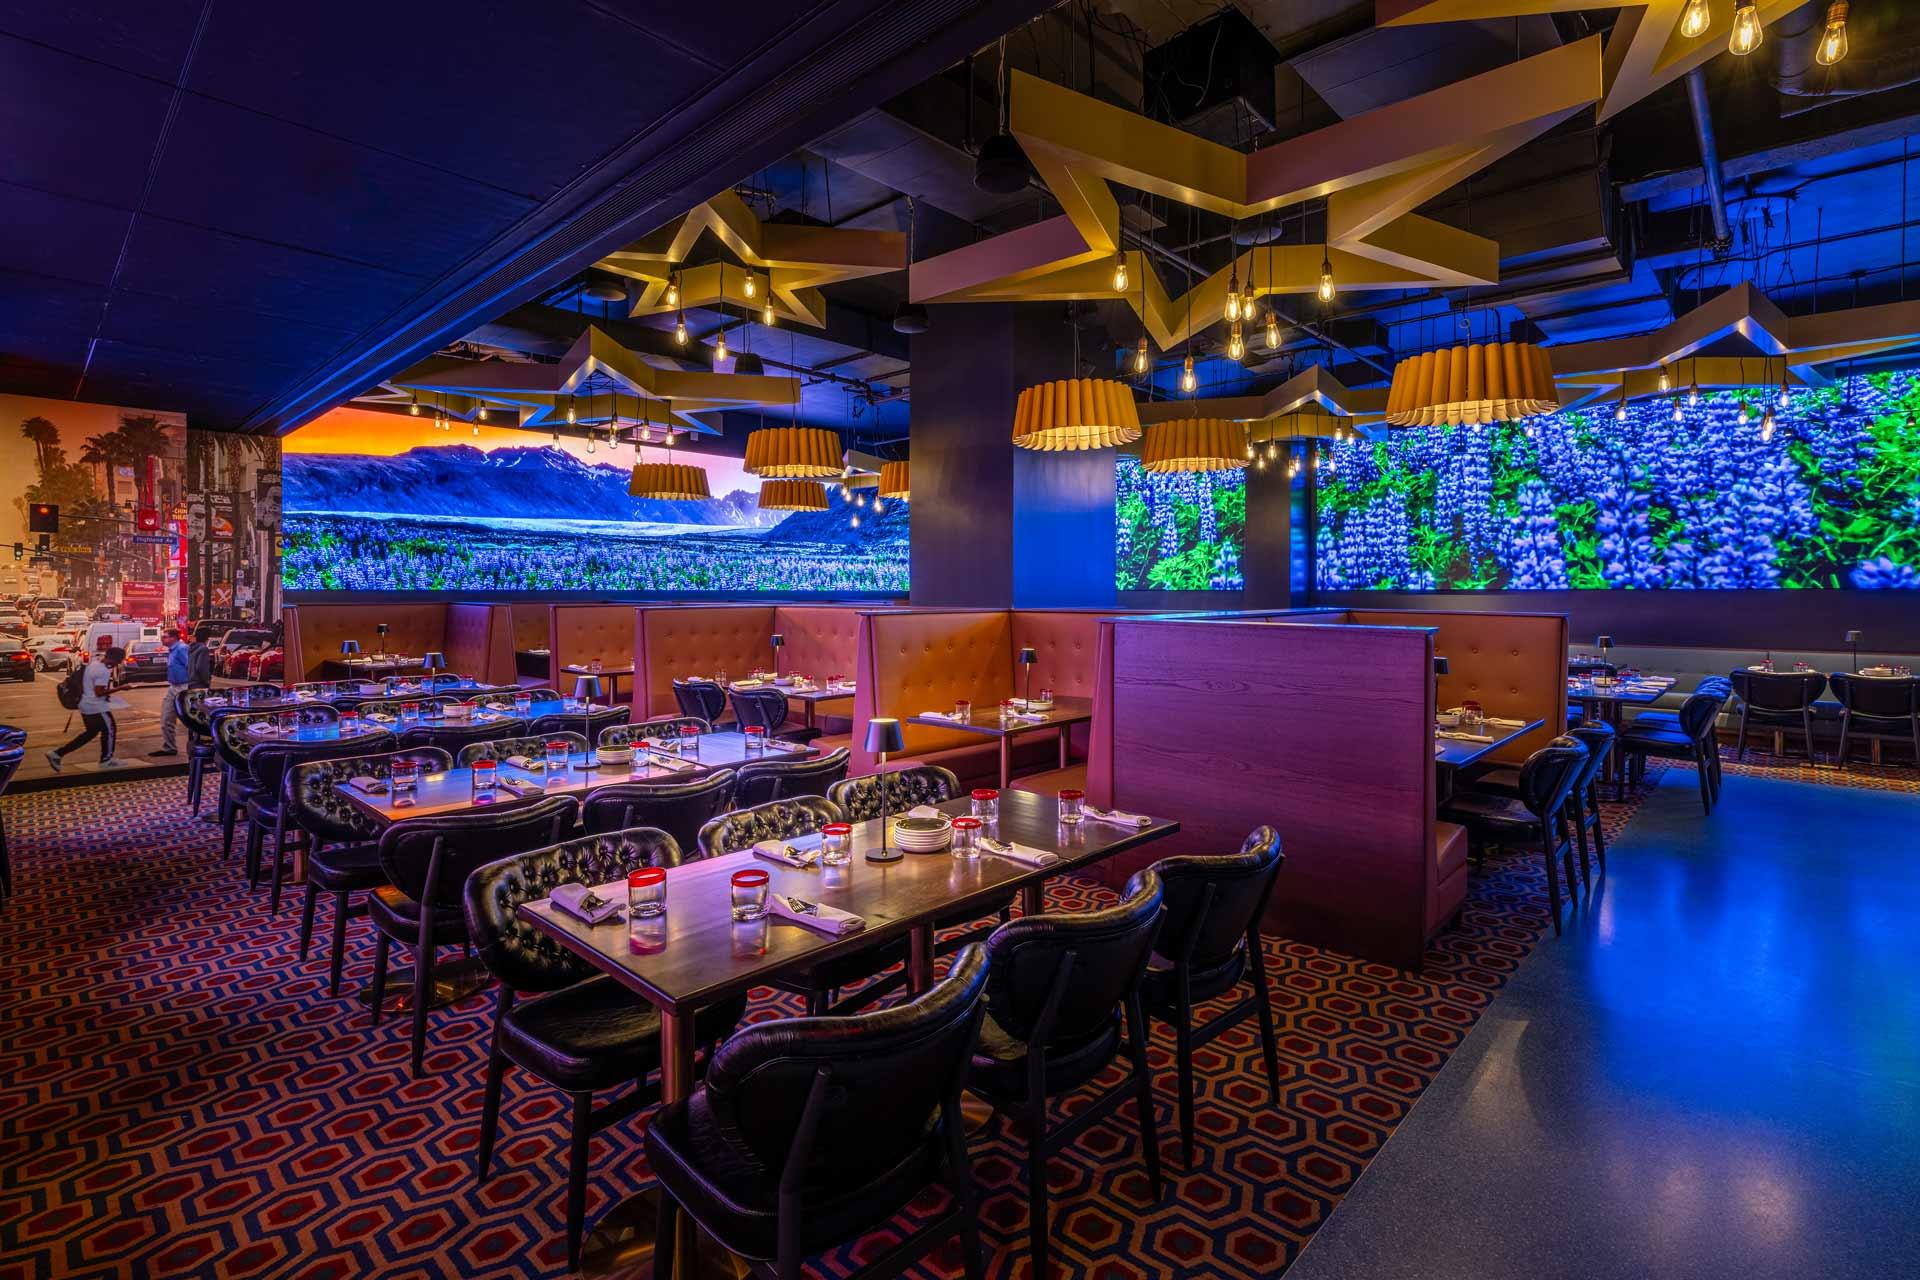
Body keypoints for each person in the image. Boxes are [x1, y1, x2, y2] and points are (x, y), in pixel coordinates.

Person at [48, 646, 125, 772]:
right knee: (110, 730)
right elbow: (99, 692)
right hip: (96, 706)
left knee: (91, 732)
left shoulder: (93, 664)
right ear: (116, 659)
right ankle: (106, 760)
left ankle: (58, 753)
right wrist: (121, 688)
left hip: (85, 704)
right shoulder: (103, 670)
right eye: (120, 660)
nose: (120, 663)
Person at [150, 629, 189, 758]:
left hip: (184, 687)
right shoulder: (172, 650)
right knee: (166, 718)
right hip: (173, 687)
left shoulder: (182, 649)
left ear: (174, 638)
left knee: (190, 719)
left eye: (165, 637)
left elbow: (190, 666)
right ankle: (169, 747)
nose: (162, 639)